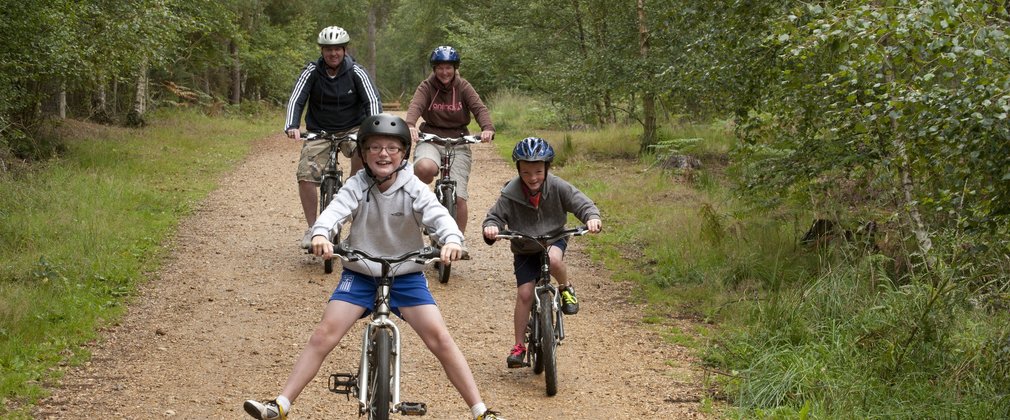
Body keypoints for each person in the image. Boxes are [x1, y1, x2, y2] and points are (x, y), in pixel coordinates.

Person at [244, 114, 503, 420]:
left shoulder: (414, 187)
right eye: (375, 147)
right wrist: (319, 234)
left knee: (440, 339)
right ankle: (281, 405)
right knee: (324, 334)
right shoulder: (357, 185)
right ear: (363, 154)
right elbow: (334, 212)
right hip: (361, 273)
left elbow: (440, 216)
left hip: (406, 275)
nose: (383, 154)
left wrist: (452, 241)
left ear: (404, 153)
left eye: (392, 148)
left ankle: (480, 411)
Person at [481, 137, 602, 368]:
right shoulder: (510, 193)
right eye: (526, 173)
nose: (533, 178)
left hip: (553, 239)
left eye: (538, 171)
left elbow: (583, 204)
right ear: (518, 171)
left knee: (554, 259)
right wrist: (491, 227)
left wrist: (592, 218)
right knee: (525, 294)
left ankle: (566, 288)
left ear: (547, 168)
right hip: (525, 246)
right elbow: (494, 216)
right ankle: (519, 346)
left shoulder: (558, 186)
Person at [284, 25, 382, 248]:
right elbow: (296, 99)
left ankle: (354, 185)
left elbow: (372, 101)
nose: (333, 54)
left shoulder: (357, 71)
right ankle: (312, 229)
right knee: (306, 175)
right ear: (321, 51)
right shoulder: (311, 72)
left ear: (345, 50)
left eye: (337, 49)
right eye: (328, 49)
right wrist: (292, 125)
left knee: (361, 148)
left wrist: (374, 129)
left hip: (351, 128)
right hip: (319, 130)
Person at [405, 45, 495, 235]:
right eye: (440, 68)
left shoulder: (463, 87)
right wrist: (410, 125)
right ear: (434, 69)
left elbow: (479, 109)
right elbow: (416, 106)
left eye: (448, 68)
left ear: (455, 68)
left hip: (458, 141)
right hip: (431, 138)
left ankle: (459, 240)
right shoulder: (426, 86)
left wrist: (487, 128)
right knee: (425, 168)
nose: (444, 72)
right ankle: (425, 202)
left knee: (459, 197)